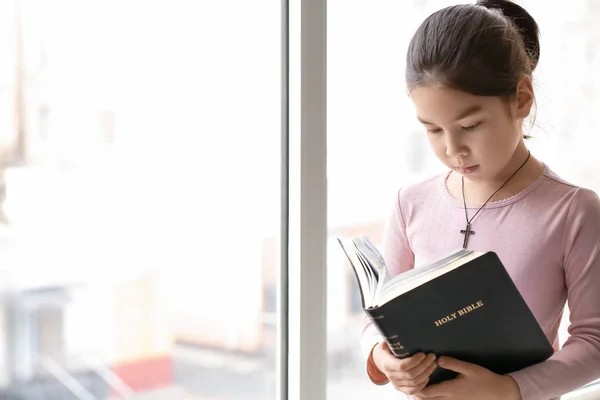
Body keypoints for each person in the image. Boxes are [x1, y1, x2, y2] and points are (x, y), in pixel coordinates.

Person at [360, 1, 600, 399]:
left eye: (470, 125)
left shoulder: (574, 212)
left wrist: (509, 389)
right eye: (433, 129)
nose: (453, 148)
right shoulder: (410, 203)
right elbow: (380, 317)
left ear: (522, 99)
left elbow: (594, 342)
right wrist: (381, 357)